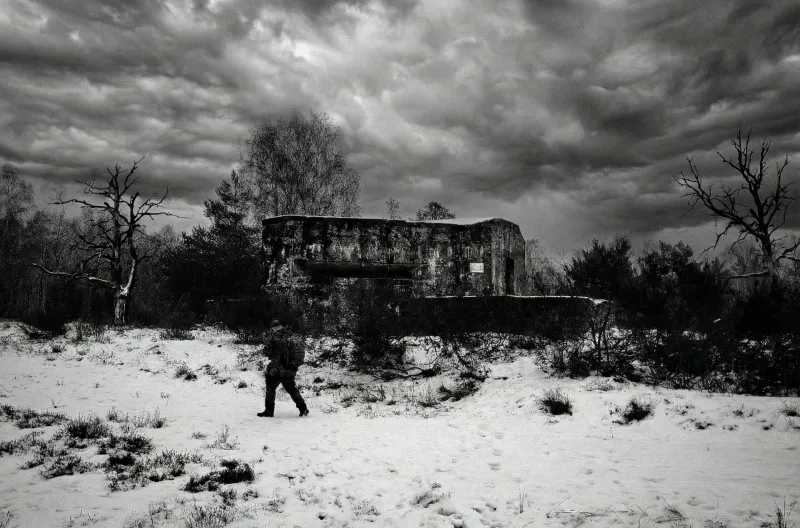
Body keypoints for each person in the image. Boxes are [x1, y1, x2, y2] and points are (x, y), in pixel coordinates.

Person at [257, 325, 309, 418]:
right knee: (292, 389)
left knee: (270, 388)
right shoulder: (290, 335)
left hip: (277, 369)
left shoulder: (274, 337)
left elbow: (267, 352)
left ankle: (269, 411)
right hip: (290, 369)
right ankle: (303, 407)